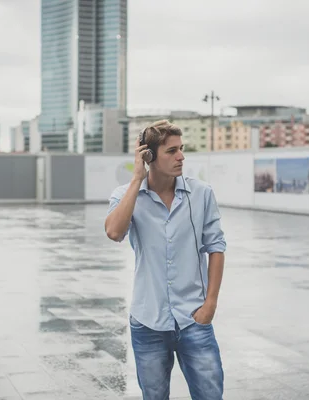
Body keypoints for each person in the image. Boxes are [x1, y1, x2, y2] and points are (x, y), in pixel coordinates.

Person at [104, 119, 226, 400]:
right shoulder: (125, 196)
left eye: (181, 149)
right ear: (149, 156)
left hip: (194, 319)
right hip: (148, 322)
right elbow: (114, 232)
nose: (181, 156)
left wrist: (210, 304)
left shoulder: (202, 193)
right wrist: (137, 178)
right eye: (171, 151)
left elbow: (216, 247)